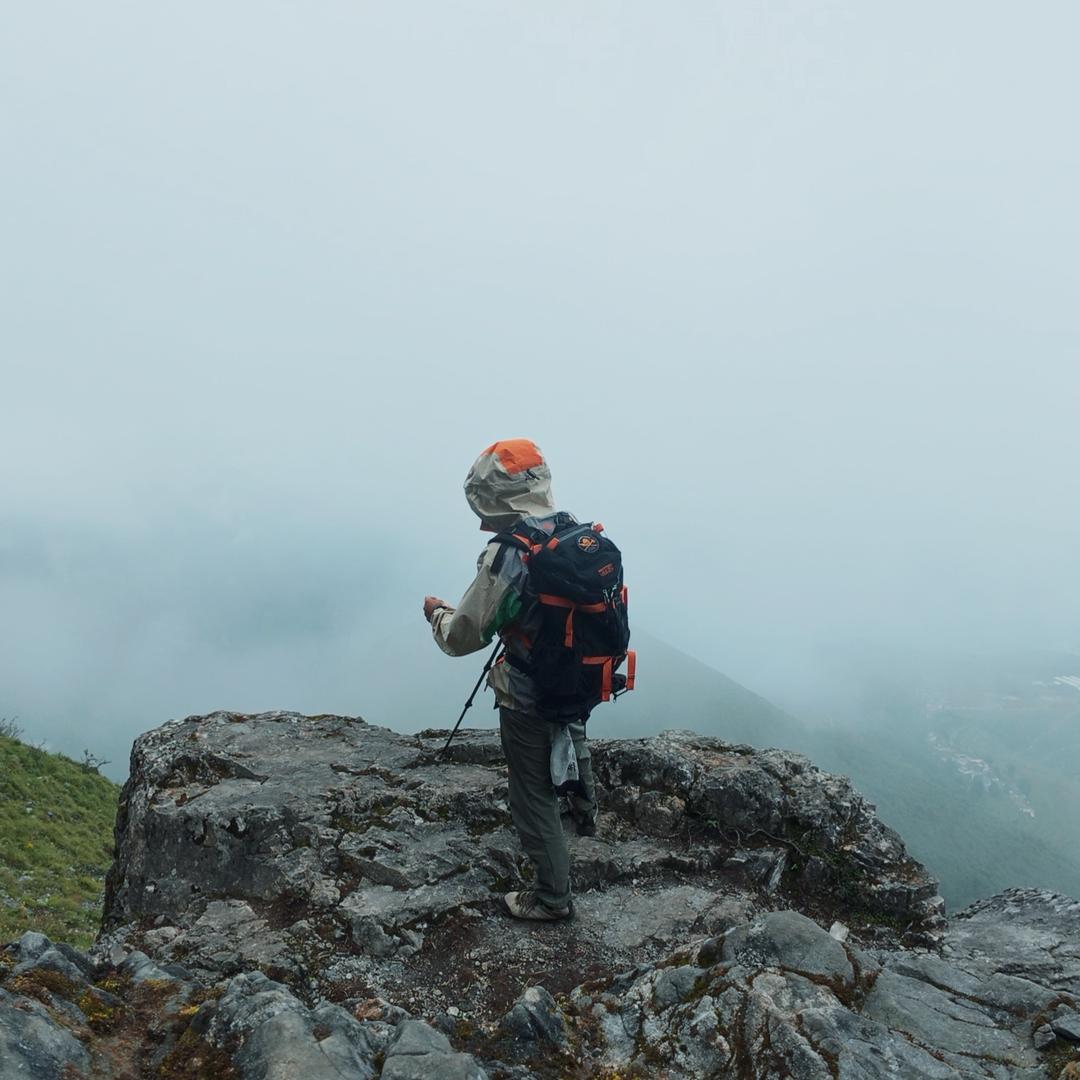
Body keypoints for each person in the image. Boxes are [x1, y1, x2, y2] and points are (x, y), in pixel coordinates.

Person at [423, 438, 597, 921]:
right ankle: (585, 811)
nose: (480, 519)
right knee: (572, 727)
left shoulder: (510, 554)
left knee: (530, 794)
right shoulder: (572, 534)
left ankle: (551, 898)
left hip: (528, 690)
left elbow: (463, 636)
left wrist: (437, 613)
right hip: (580, 677)